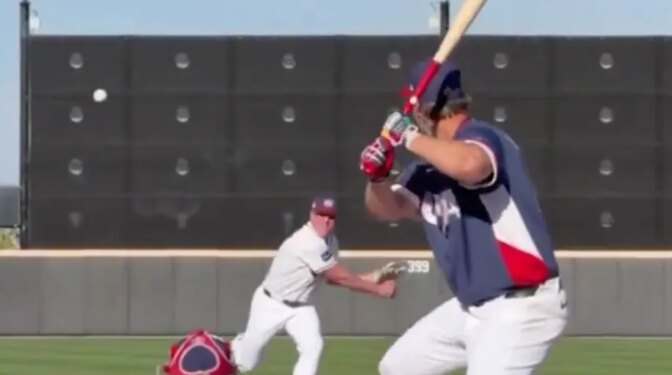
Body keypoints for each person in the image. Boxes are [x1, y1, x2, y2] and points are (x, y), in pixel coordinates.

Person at [359, 58, 569, 375]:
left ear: (420, 110)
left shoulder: (482, 137)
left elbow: (471, 166)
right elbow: (385, 209)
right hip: (471, 309)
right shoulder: (427, 169)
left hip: (522, 306)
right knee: (397, 367)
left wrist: (409, 137)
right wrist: (378, 177)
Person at [230, 196, 398, 375]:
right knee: (246, 364)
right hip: (271, 304)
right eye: (321, 214)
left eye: (330, 216)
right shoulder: (307, 241)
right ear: (311, 215)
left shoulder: (331, 242)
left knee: (313, 347)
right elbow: (340, 277)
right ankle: (232, 346)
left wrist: (373, 277)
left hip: (301, 307)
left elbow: (331, 279)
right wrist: (377, 289)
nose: (326, 220)